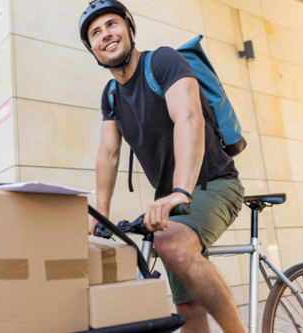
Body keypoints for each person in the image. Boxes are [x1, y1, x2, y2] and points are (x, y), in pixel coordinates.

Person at [79, 1, 246, 332]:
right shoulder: (111, 95)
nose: (105, 35)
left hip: (215, 183)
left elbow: (188, 117)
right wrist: (99, 215)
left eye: (111, 25)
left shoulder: (163, 61)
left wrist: (180, 191)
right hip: (171, 201)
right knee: (186, 304)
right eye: (95, 33)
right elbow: (108, 153)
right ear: (93, 50)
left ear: (129, 29)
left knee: (169, 244)